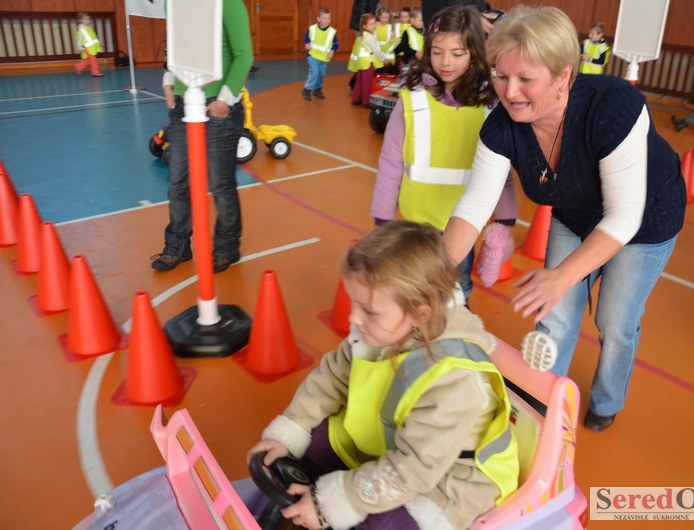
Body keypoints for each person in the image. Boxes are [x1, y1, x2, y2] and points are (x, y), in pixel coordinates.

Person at [442, 6, 686, 432]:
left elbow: (624, 216)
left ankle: (607, 400)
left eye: (525, 79)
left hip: (645, 220)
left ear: (562, 76)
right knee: (553, 316)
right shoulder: (502, 127)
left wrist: (561, 277)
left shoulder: (612, 107)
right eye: (501, 76)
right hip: (575, 214)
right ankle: (542, 403)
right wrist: (433, 274)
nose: (510, 92)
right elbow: (474, 205)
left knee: (615, 321)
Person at [247, 220, 519, 530]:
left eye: (369, 311)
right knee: (308, 448)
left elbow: (413, 469)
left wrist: (331, 503)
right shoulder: (381, 332)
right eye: (354, 303)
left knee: (383, 525)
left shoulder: (455, 380)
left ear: (420, 314)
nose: (353, 318)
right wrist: (288, 432)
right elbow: (330, 379)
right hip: (393, 444)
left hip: (448, 481)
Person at [370, 5, 517, 303]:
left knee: (457, 291)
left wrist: (506, 218)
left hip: (462, 223)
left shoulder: (489, 105)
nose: (445, 62)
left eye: (457, 53)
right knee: (415, 291)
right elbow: (390, 162)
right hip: (415, 222)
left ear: (474, 53)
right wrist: (383, 216)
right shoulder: (411, 100)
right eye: (437, 52)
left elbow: (500, 170)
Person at [150, 0, 254, 273]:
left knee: (220, 184)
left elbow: (243, 54)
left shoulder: (228, 3)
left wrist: (224, 100)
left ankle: (226, 249)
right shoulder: (173, 4)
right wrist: (169, 83)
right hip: (183, 106)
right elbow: (178, 48)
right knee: (177, 183)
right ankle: (177, 246)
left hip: (218, 106)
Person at [347, 13, 390, 106]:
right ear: (364, 26)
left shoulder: (361, 36)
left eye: (374, 23)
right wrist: (384, 59)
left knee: (359, 80)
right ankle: (366, 102)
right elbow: (376, 50)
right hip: (368, 63)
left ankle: (355, 99)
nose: (374, 25)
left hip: (360, 63)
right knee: (367, 82)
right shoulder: (369, 37)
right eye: (371, 24)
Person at [302, 7, 339, 101]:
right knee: (315, 72)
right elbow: (306, 37)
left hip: (324, 57)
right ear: (318, 19)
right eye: (324, 18)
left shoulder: (332, 32)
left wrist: (332, 51)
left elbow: (336, 43)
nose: (327, 20)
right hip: (313, 55)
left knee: (321, 75)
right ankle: (307, 89)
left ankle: (317, 90)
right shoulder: (312, 29)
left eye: (328, 18)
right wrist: (307, 43)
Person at [74, 12, 103, 77]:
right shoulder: (82, 29)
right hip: (87, 47)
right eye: (86, 19)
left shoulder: (88, 28)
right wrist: (79, 47)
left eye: (89, 19)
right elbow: (79, 39)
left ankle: (78, 67)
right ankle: (95, 72)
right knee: (93, 59)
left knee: (89, 59)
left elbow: (93, 37)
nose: (88, 20)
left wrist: (98, 44)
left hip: (91, 47)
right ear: (80, 20)